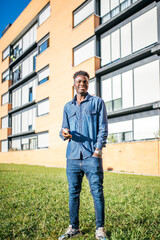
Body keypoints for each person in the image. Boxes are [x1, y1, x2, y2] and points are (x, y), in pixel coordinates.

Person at [59, 70, 108, 240]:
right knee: (73, 192)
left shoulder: (97, 103)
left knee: (97, 192)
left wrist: (97, 150)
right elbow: (63, 129)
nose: (82, 84)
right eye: (79, 81)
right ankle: (74, 227)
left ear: (88, 84)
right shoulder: (67, 107)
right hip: (72, 156)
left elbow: (103, 128)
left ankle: (100, 228)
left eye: (85, 81)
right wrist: (63, 133)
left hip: (91, 156)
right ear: (74, 84)